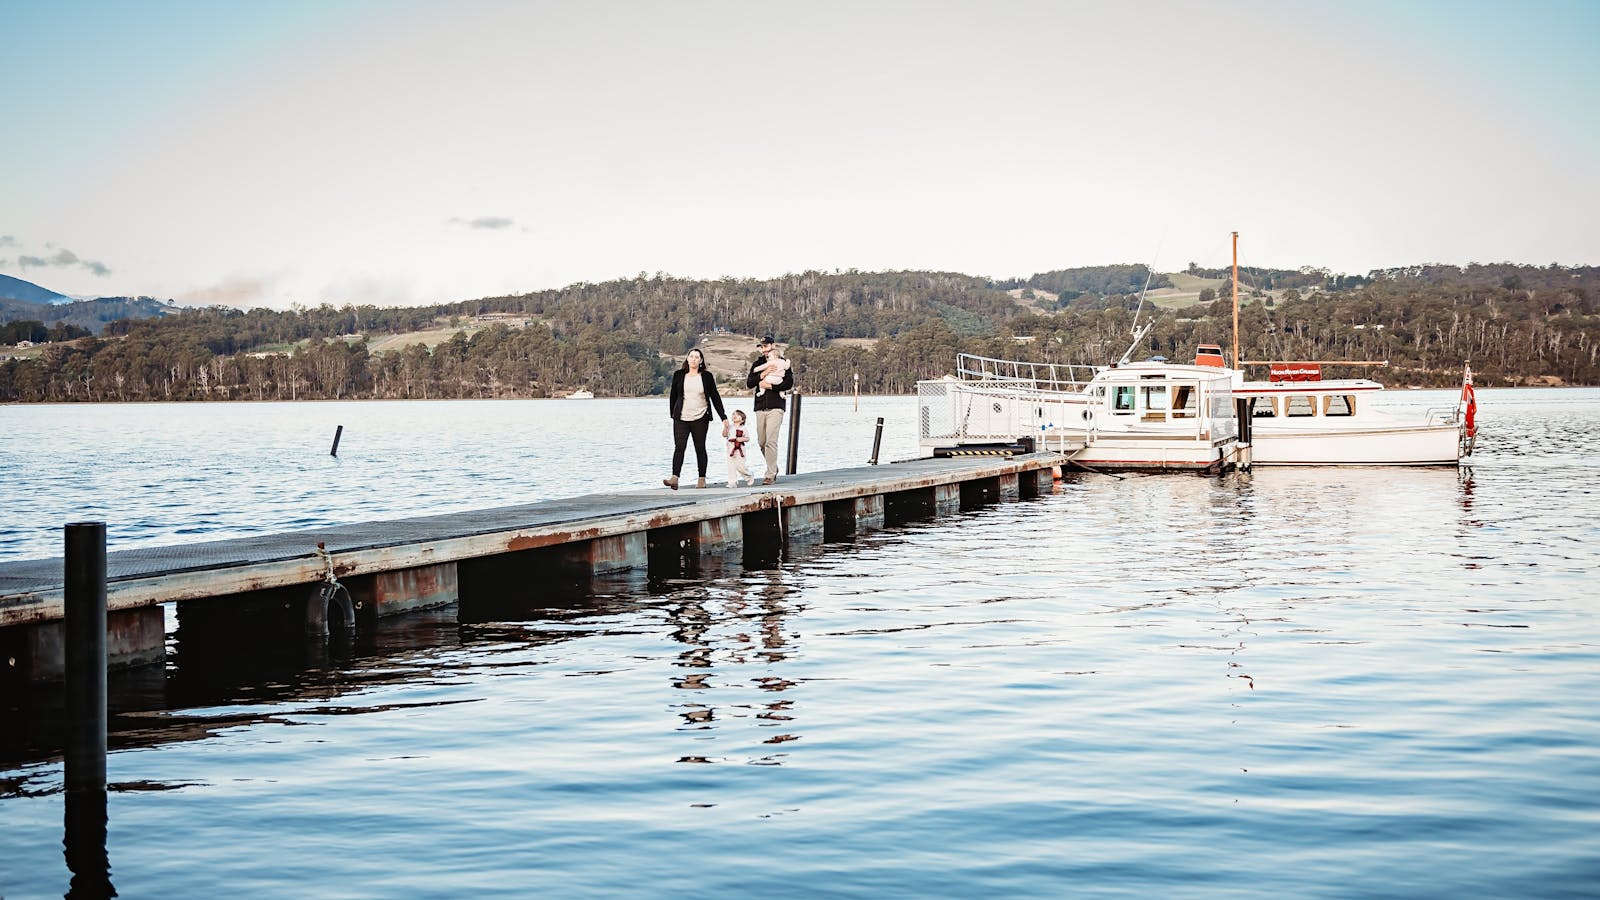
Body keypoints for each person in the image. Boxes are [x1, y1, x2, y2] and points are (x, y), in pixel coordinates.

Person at [664, 347, 727, 490]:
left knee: (700, 448)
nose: (693, 359)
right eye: (691, 356)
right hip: (681, 418)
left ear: (701, 360)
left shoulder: (707, 376)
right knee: (679, 447)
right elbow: (673, 396)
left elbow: (715, 397)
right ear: (687, 358)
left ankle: (701, 479)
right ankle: (674, 478)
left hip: (701, 417)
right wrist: (673, 414)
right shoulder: (679, 375)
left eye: (696, 357)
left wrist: (723, 417)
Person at [745, 334, 794, 484]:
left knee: (771, 441)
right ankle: (773, 466)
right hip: (760, 406)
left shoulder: (783, 362)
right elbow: (749, 383)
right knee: (762, 442)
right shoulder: (757, 364)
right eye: (761, 347)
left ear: (772, 346)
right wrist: (763, 375)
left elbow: (789, 383)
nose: (764, 349)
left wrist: (772, 386)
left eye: (766, 346)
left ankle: (770, 474)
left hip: (776, 406)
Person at [722, 409, 754, 487]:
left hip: (740, 450)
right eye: (733, 414)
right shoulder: (730, 427)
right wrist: (725, 427)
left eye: (737, 414)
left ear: (742, 419)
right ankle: (732, 482)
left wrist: (741, 439)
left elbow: (747, 438)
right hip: (730, 449)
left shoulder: (743, 428)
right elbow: (724, 435)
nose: (734, 415)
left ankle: (749, 475)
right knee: (731, 466)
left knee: (740, 466)